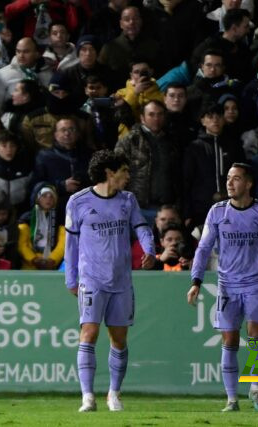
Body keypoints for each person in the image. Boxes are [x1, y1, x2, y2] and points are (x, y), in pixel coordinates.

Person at [187, 162, 258, 412]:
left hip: (257, 282)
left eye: (236, 179)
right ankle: (232, 399)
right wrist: (196, 281)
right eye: (228, 179)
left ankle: (255, 386)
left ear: (248, 183)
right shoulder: (217, 212)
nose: (230, 183)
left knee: (256, 335)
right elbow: (203, 248)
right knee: (230, 339)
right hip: (227, 285)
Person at [64, 149, 155, 412]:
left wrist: (149, 249)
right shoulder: (78, 201)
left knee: (119, 338)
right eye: (125, 171)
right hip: (91, 278)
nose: (128, 176)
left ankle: (113, 393)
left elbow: (141, 227)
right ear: (109, 172)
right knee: (89, 332)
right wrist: (71, 277)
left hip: (121, 281)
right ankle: (87, 397)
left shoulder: (128, 200)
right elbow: (71, 244)